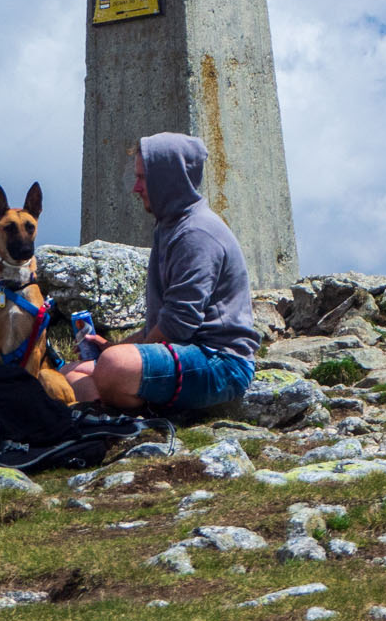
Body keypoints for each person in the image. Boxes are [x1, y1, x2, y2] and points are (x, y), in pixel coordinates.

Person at [64, 132, 258, 413]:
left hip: (221, 363)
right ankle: (119, 404)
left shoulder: (196, 234)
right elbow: (163, 325)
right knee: (72, 372)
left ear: (167, 179)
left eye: (142, 178)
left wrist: (118, 357)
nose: (135, 188)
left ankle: (136, 406)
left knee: (112, 366)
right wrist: (114, 347)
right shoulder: (170, 227)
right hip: (185, 352)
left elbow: (179, 324)